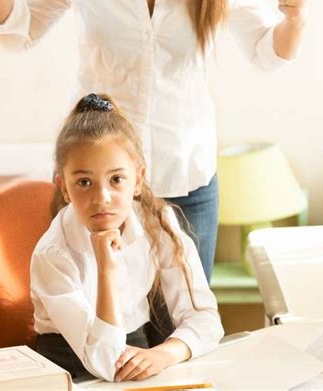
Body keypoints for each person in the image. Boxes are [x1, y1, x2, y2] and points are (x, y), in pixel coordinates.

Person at [0, 0, 308, 282]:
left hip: (185, 179)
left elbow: (265, 52)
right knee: (95, 318)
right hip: (97, 182)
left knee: (188, 321)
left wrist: (294, 20)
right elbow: (17, 33)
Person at [30, 93, 224, 382]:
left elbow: (206, 320)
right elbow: (106, 363)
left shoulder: (157, 223)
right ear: (64, 187)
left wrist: (164, 354)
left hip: (138, 351)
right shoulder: (53, 254)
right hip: (68, 364)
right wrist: (106, 268)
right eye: (84, 182)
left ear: (138, 179)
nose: (102, 198)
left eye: (116, 179)